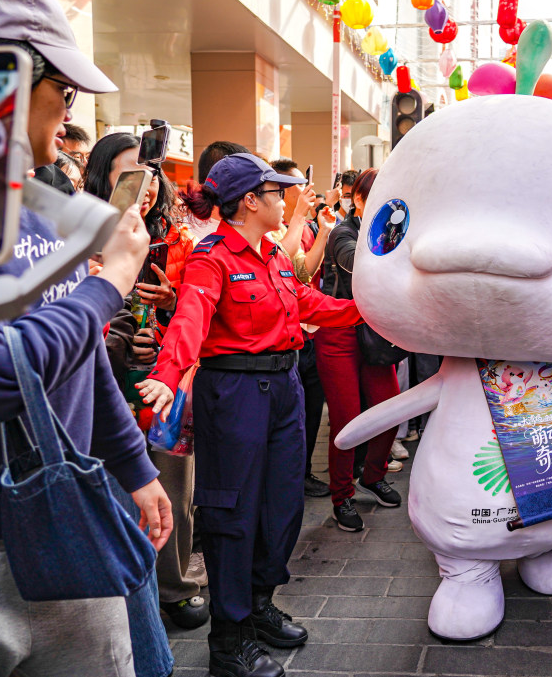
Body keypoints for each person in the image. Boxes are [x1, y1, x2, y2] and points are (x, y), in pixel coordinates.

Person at [0, 0, 172, 676]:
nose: (69, 118)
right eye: (62, 92)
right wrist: (109, 284)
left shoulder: (34, 205)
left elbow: (81, 360)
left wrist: (133, 465)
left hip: (65, 524)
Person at [138, 153, 361, 677]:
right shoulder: (210, 257)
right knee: (231, 514)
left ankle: (258, 605)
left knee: (283, 506)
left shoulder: (272, 255)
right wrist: (168, 376)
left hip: (283, 389)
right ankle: (228, 639)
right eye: (277, 192)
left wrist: (368, 308)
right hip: (235, 393)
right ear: (250, 201)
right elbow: (190, 318)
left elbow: (307, 302)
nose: (285, 200)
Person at [84, 132, 208, 631]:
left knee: (173, 487)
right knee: (117, 490)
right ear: (102, 178)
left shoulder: (176, 240)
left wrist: (170, 310)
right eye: (130, 171)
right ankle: (124, 592)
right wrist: (118, 339)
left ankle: (175, 586)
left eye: (151, 172)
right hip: (104, 387)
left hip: (168, 386)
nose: (147, 183)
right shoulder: (83, 237)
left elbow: (198, 311)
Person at [315, 168, 403, 532]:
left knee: (390, 407)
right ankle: (342, 496)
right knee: (347, 419)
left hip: (375, 332)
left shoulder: (395, 231)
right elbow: (360, 266)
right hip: (338, 332)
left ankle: (373, 475)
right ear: (360, 200)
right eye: (376, 196)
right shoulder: (343, 232)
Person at [269, 157, 333, 498]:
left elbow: (305, 272)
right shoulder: (271, 228)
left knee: (310, 413)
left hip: (309, 331)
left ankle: (303, 473)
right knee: (290, 418)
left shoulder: (300, 226)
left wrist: (321, 229)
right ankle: (288, 479)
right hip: (285, 338)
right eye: (295, 185)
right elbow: (281, 263)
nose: (303, 190)